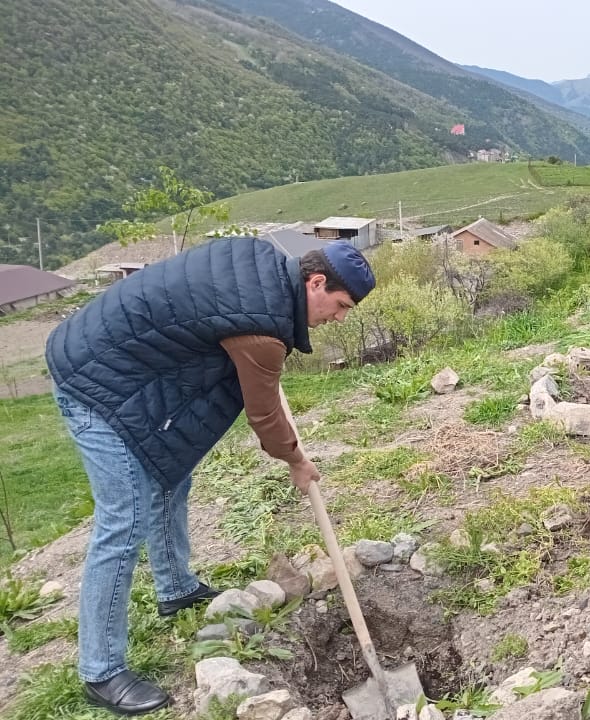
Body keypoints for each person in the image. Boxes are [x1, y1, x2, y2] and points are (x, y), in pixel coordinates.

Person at [45, 237, 375, 715]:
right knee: (124, 520)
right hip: (93, 382)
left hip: (125, 367)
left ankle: (175, 589)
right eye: (340, 306)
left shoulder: (262, 268)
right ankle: (101, 671)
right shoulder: (262, 327)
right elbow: (265, 419)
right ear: (316, 281)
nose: (339, 318)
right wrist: (297, 462)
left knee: (169, 474)